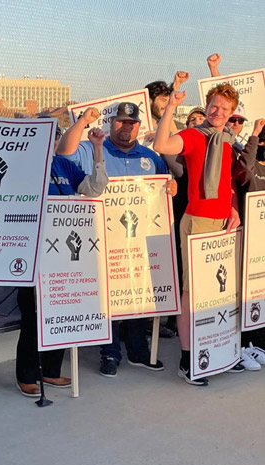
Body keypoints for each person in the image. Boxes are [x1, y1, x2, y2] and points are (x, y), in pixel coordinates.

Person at [58, 103, 175, 378]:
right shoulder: (91, 149)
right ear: (112, 124)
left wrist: (171, 187)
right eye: (121, 122)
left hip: (139, 240)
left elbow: (164, 187)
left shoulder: (150, 157)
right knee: (107, 298)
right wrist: (84, 122)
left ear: (138, 125)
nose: (126, 127)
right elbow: (64, 152)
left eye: (131, 123)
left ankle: (138, 351)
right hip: (102, 239)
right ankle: (109, 353)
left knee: (138, 292)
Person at [153, 84, 241, 385]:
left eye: (225, 109)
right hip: (198, 222)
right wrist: (170, 108)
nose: (218, 112)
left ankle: (216, 351)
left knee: (218, 291)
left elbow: (227, 181)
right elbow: (162, 145)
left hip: (222, 225)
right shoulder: (194, 135)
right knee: (191, 295)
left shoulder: (227, 140)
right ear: (207, 105)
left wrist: (232, 208)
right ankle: (188, 360)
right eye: (214, 106)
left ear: (231, 114)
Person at [16, 124, 108, 396]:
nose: (51, 141)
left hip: (64, 254)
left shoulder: (65, 165)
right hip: (34, 253)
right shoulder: (23, 166)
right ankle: (27, 375)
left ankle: (52, 371)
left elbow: (94, 188)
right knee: (33, 316)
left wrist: (98, 149)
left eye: (54, 135)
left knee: (61, 309)